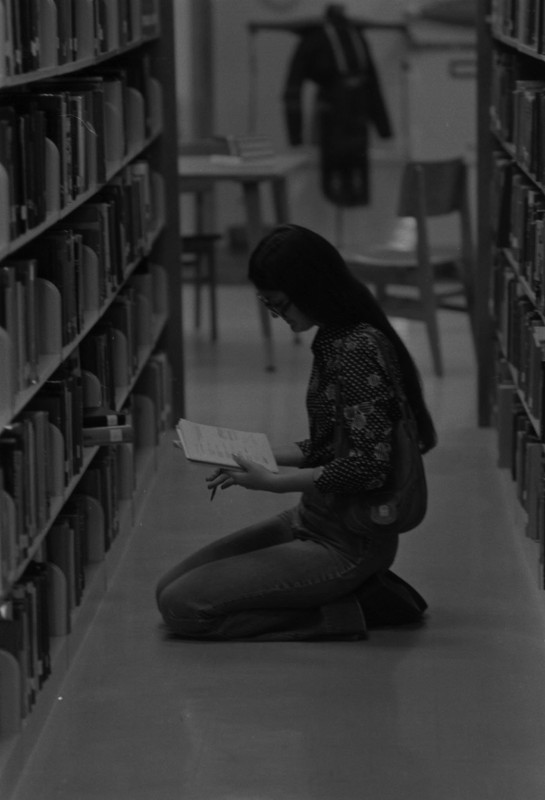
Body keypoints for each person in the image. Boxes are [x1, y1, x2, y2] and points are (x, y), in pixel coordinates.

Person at [156, 224, 437, 641]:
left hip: (348, 541)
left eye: (280, 305)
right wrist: (243, 451)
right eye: (269, 306)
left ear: (311, 287)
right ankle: (333, 595)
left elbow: (368, 467)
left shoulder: (358, 349)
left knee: (185, 608)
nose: (279, 316)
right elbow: (327, 446)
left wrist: (273, 483)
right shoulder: (333, 336)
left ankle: (353, 609)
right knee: (169, 588)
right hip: (313, 517)